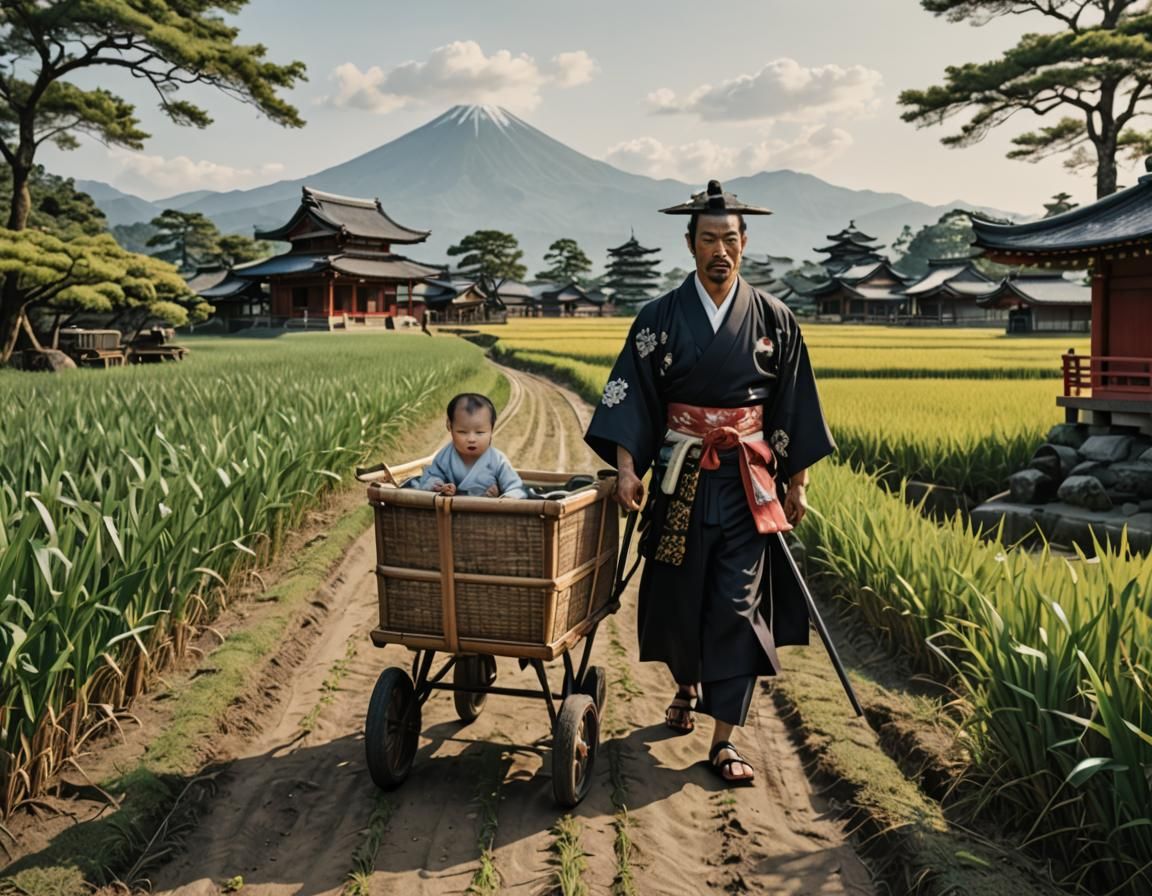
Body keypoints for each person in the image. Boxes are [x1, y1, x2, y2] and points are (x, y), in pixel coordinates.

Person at [584, 180, 835, 785]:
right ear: (689, 244)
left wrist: (795, 482)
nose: (719, 250)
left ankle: (723, 739)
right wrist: (625, 469)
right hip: (677, 477)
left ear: (745, 243)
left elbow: (795, 407)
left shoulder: (776, 319)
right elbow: (632, 397)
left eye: (730, 238)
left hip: (749, 483)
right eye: (707, 239)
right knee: (678, 595)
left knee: (736, 605)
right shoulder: (658, 318)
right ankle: (685, 685)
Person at [413, 393, 527, 498]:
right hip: (451, 512)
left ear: (491, 429)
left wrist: (502, 496)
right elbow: (431, 478)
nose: (471, 439)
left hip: (487, 513)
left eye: (480, 432)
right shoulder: (444, 457)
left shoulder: (497, 460)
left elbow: (515, 487)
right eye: (462, 432)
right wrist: (440, 487)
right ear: (449, 426)